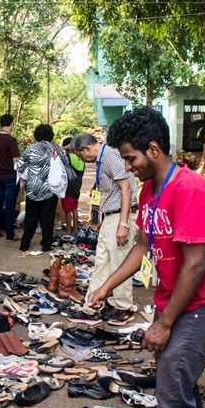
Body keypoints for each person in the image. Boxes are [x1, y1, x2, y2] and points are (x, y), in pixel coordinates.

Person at [86, 107, 205, 408]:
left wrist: (164, 323)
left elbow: (196, 264)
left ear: (153, 149)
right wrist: (107, 284)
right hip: (177, 299)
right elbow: (142, 245)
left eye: (130, 158)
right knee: (176, 379)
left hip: (204, 302)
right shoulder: (151, 189)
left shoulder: (190, 189)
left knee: (170, 388)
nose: (127, 167)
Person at [71, 132, 138, 326]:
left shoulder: (109, 155)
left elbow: (126, 188)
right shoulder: (104, 158)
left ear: (87, 148)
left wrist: (122, 224)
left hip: (119, 216)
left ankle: (124, 308)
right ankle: (94, 304)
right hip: (111, 217)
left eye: (81, 155)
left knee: (119, 263)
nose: (83, 160)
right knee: (102, 263)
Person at [15, 124, 70, 252]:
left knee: (31, 216)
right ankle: (46, 245)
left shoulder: (30, 148)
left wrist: (24, 178)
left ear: (37, 134)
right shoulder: (56, 148)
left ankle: (24, 244)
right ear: (50, 135)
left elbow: (20, 166)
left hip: (33, 188)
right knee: (48, 217)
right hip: (50, 188)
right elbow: (66, 164)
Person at [0, 113, 21, 241]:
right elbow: (16, 160)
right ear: (11, 124)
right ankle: (9, 235)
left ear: (0, 124)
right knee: (10, 207)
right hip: (10, 178)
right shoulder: (11, 141)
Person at [62, 137, 85, 238]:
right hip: (77, 186)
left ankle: (68, 230)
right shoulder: (80, 158)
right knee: (74, 209)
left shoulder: (68, 157)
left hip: (69, 187)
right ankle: (75, 229)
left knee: (67, 210)